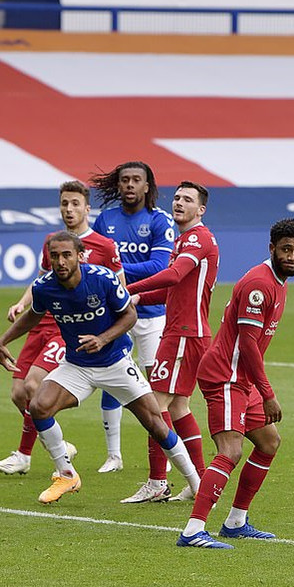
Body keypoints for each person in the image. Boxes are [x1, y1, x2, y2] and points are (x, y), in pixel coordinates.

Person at [0, 231, 199, 504]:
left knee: (156, 424)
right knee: (38, 407)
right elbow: (34, 315)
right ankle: (66, 474)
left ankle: (197, 484)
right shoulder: (44, 287)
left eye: (67, 255)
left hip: (115, 362)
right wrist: (3, 339)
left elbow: (129, 314)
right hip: (76, 365)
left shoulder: (102, 279)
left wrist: (102, 339)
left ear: (80, 256)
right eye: (55, 256)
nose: (60, 261)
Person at [177, 218, 294, 549]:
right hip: (225, 375)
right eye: (286, 249)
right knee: (230, 450)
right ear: (271, 249)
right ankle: (193, 530)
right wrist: (268, 394)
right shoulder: (259, 284)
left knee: (268, 442)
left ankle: (236, 522)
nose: (292, 256)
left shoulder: (279, 282)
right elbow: (248, 345)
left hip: (242, 378)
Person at [0, 180, 125, 475]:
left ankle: (25, 455)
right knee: (18, 393)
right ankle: (58, 445)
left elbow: (121, 290)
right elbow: (41, 280)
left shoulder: (104, 246)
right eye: (64, 203)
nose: (69, 209)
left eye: (75, 204)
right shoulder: (53, 242)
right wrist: (21, 303)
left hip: (65, 328)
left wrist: (108, 330)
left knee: (32, 385)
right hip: (41, 321)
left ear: (87, 208)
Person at [123, 181, 218, 503]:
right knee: (178, 407)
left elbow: (174, 276)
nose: (179, 203)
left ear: (200, 209)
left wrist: (131, 285)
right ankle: (201, 481)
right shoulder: (187, 240)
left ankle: (157, 480)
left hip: (182, 335)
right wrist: (137, 296)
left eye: (187, 199)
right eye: (177, 197)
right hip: (188, 333)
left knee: (155, 407)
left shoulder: (197, 239)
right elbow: (172, 290)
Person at [90, 161, 175, 474]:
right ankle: (114, 455)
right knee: (112, 381)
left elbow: (160, 266)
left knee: (157, 387)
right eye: (124, 180)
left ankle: (161, 458)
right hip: (115, 312)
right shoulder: (106, 219)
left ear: (147, 185)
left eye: (136, 180)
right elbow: (91, 258)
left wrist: (117, 271)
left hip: (151, 313)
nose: (129, 185)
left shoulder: (159, 220)